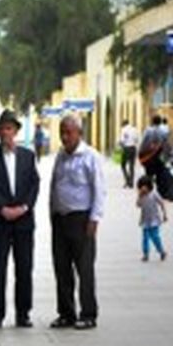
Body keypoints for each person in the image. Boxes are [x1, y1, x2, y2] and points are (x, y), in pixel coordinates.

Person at [49, 113, 106, 330]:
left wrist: (94, 219)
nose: (64, 137)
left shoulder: (90, 157)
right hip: (61, 219)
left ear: (79, 133)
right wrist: (52, 214)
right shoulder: (60, 157)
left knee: (84, 268)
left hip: (81, 219)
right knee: (61, 268)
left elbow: (99, 190)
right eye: (62, 132)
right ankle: (66, 312)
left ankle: (88, 313)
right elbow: (54, 186)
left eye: (69, 132)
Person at [0, 110, 39, 329]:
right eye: (3, 129)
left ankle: (23, 312)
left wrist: (24, 207)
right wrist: (1, 208)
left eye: (10, 128)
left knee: (24, 268)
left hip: (23, 221)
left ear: (16, 131)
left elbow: (33, 184)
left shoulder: (27, 156)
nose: (6, 133)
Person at [136, 175, 167, 261]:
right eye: (141, 186)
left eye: (144, 186)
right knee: (145, 238)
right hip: (145, 220)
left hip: (154, 220)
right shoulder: (141, 195)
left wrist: (165, 214)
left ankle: (161, 251)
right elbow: (138, 205)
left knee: (155, 236)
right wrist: (139, 196)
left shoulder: (154, 194)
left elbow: (162, 203)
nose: (143, 188)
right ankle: (145, 254)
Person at [119, 119, 139, 188]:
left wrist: (120, 145)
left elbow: (122, 140)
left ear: (123, 124)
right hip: (133, 148)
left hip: (126, 149)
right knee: (131, 166)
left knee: (123, 165)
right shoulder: (134, 129)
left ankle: (127, 180)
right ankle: (131, 183)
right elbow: (137, 139)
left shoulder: (123, 129)